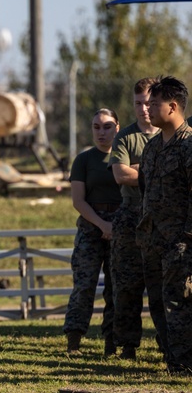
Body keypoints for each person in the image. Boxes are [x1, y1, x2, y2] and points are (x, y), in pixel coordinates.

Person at [137, 76, 192, 375]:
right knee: (158, 302)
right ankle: (172, 359)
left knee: (180, 302)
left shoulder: (189, 145)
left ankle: (185, 364)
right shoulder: (152, 147)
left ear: (172, 107)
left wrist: (187, 236)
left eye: (154, 104)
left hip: (180, 242)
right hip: (153, 240)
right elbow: (145, 190)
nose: (148, 109)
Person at [110, 78, 161, 361]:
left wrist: (137, 170)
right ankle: (127, 346)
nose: (143, 109)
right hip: (130, 218)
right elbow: (120, 175)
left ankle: (169, 344)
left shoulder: (172, 134)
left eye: (148, 103)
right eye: (138, 104)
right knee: (127, 286)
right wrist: (154, 172)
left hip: (161, 220)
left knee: (161, 287)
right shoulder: (126, 137)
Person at [63, 109, 121, 356]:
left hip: (120, 225)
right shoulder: (84, 160)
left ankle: (112, 341)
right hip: (90, 226)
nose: (101, 132)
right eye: (96, 126)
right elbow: (78, 201)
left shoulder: (124, 157)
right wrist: (101, 225)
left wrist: (113, 226)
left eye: (107, 126)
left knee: (116, 287)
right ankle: (74, 340)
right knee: (84, 285)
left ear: (117, 128)